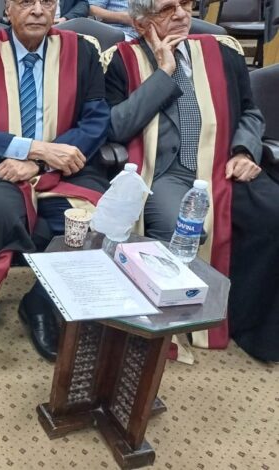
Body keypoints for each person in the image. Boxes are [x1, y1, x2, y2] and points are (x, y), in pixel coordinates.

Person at [104, 0, 279, 361]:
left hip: (223, 164)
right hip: (163, 173)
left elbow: (250, 112)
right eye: (167, 8)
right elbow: (118, 126)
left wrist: (245, 151)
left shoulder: (222, 53)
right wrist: (164, 72)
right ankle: (168, 327)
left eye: (185, 3)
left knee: (273, 214)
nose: (182, 14)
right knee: (178, 231)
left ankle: (247, 322)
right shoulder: (119, 60)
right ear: (141, 23)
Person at [0, 0, 109, 362]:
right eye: (25, 1)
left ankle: (41, 302)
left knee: (98, 220)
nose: (37, 10)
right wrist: (33, 149)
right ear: (7, 9)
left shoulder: (83, 51)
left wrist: (39, 163)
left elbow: (96, 120)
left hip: (64, 168)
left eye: (46, 1)